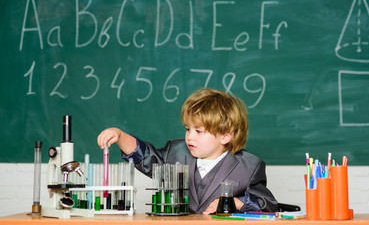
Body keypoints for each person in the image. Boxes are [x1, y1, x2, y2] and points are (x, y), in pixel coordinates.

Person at [97, 88, 278, 214]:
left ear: (225, 136)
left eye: (198, 131)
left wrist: (235, 202)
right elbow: (145, 157)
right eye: (187, 129)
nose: (190, 137)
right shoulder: (175, 151)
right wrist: (120, 136)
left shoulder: (249, 165)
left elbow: (269, 205)